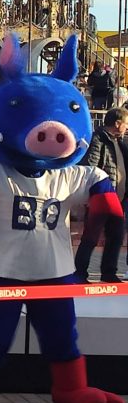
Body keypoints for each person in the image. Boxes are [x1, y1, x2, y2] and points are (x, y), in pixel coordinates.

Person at [75, 107, 128, 282]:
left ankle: (109, 272)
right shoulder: (98, 139)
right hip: (101, 196)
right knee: (91, 235)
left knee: (116, 236)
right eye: (125, 123)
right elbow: (91, 166)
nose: (127, 127)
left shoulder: (119, 143)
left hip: (117, 200)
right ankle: (80, 272)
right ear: (117, 123)